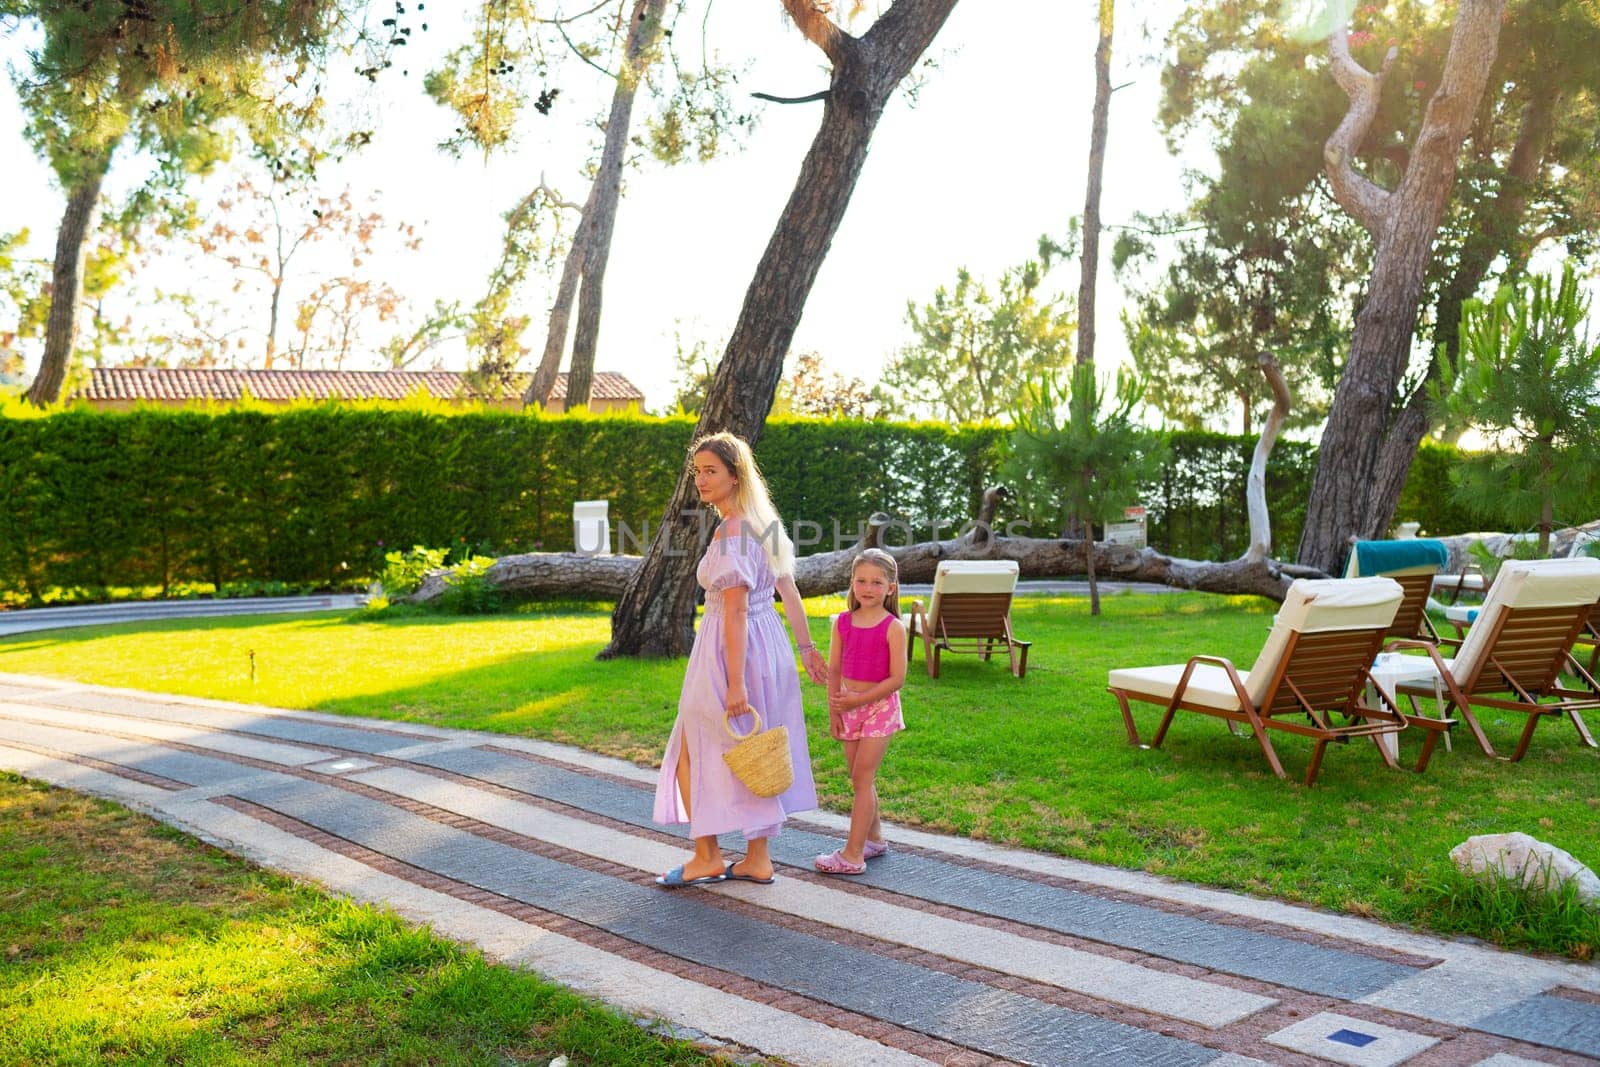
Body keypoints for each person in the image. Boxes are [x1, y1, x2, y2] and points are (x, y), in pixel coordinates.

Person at [653, 431, 828, 888]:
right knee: (754, 748)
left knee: (691, 747)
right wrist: (805, 649)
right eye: (698, 472)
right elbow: (787, 588)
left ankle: (707, 854)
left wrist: (735, 683)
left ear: (735, 476)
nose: (701, 480)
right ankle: (757, 860)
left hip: (732, 648)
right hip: (767, 644)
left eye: (711, 471)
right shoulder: (762, 521)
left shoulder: (733, 529)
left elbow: (733, 608)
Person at [814, 547, 907, 875]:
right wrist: (835, 711)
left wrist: (858, 701)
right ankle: (875, 839)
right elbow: (835, 669)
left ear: (890, 588)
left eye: (877, 582)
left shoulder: (893, 627)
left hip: (878, 708)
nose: (868, 588)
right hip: (847, 705)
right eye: (861, 581)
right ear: (852, 584)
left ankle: (853, 855)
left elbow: (897, 679)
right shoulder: (842, 623)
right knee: (859, 779)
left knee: (862, 779)